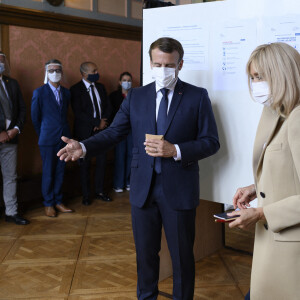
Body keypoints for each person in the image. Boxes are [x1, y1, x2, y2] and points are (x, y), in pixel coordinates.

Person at [58, 37, 220, 299]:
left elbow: (211, 142)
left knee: (182, 260)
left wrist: (175, 150)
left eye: (169, 64)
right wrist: (84, 147)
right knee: (145, 257)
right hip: (143, 189)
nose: (163, 69)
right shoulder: (136, 96)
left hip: (179, 189)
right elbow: (113, 133)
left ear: (180, 65)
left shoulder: (197, 96)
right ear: (150, 63)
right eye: (158, 64)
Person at [228, 42, 300, 300]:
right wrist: (254, 189)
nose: (256, 83)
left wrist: (260, 213)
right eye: (253, 77)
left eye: (262, 76)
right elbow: (286, 172)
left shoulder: (298, 117)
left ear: (283, 74)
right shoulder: (275, 112)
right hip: (274, 240)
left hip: (290, 245)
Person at [31, 59, 73, 217]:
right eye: (51, 70)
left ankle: (58, 201)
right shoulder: (39, 92)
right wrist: (43, 133)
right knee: (48, 171)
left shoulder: (67, 92)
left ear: (62, 73)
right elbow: (35, 118)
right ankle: (48, 204)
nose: (55, 73)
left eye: (57, 70)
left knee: (60, 171)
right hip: (47, 139)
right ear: (46, 73)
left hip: (64, 139)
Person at [70, 62, 112, 206]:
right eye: (94, 71)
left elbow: (108, 106)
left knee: (102, 163)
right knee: (85, 165)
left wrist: (103, 122)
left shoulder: (100, 87)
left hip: (102, 131)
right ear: (83, 74)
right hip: (85, 132)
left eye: (97, 70)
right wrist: (95, 123)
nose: (97, 73)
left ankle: (100, 191)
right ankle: (86, 195)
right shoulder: (75, 89)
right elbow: (78, 112)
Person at [0, 51, 29, 225]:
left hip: (11, 138)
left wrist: (16, 129)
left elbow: (22, 109)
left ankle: (11, 212)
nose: (0, 63)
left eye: (2, 61)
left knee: (10, 176)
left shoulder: (12, 83)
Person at [109, 72, 133, 192]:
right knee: (120, 156)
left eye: (129, 80)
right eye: (124, 80)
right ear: (119, 82)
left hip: (132, 131)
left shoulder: (135, 95)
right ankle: (118, 184)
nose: (127, 82)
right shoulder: (114, 96)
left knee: (131, 156)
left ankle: (128, 181)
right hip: (118, 131)